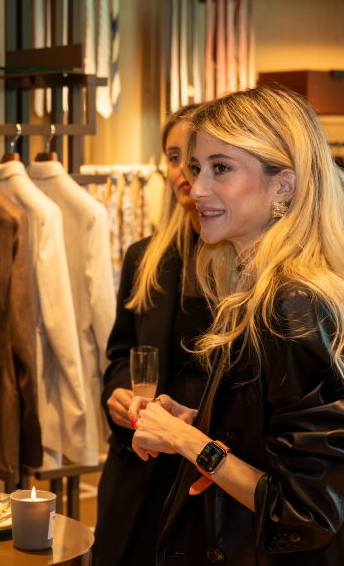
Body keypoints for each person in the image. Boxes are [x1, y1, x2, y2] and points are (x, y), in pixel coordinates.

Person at [131, 86, 344, 564]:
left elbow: (303, 511)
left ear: (284, 185)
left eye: (221, 168)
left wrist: (189, 442)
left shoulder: (293, 305)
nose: (197, 188)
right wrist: (206, 420)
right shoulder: (261, 291)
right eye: (196, 168)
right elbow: (279, 439)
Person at [94, 105, 211, 566]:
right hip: (140, 467)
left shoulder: (250, 264)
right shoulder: (145, 257)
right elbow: (121, 352)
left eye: (196, 157)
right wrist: (118, 393)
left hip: (207, 468)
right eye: (174, 156)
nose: (184, 170)